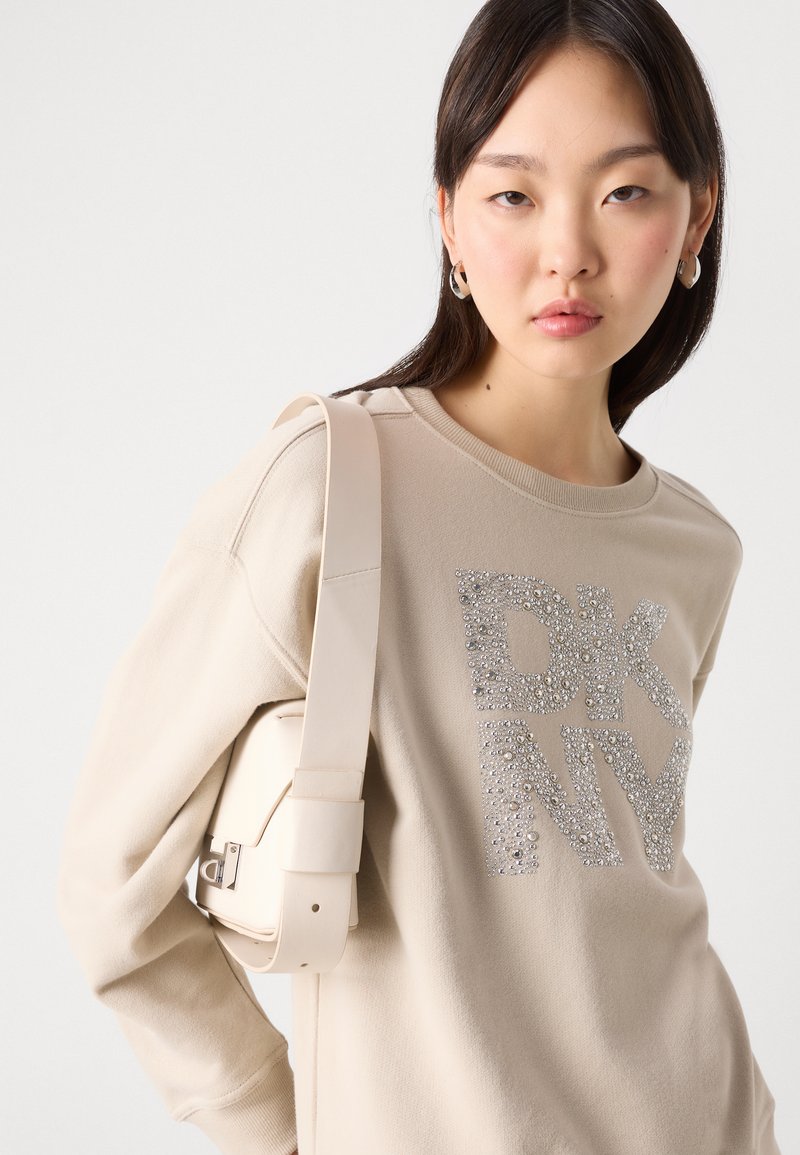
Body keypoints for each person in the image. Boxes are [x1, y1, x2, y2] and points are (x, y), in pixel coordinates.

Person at [57, 0, 782, 1152]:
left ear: (697, 216)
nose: (567, 250)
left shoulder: (694, 546)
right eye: (513, 195)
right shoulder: (325, 487)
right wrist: (278, 1127)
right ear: (445, 216)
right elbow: (111, 888)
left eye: (624, 192)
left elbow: (606, 887)